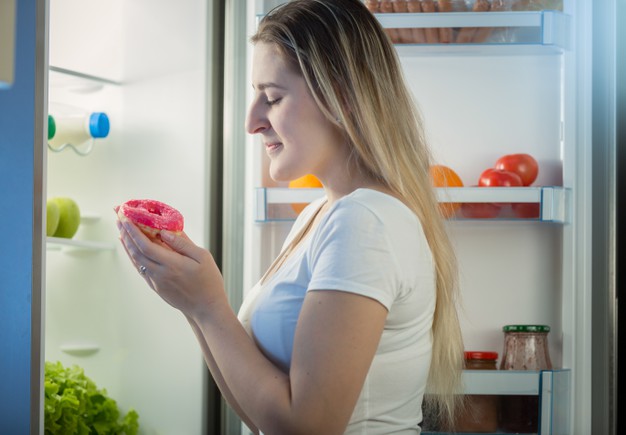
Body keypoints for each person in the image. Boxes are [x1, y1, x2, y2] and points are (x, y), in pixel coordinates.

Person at [116, 0, 464, 433]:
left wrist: (208, 306)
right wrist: (190, 301)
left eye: (273, 97)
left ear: (340, 96)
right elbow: (260, 411)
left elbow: (307, 427)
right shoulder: (321, 215)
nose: (252, 121)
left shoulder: (366, 221)